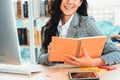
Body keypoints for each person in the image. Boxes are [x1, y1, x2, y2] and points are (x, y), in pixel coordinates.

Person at [38, 0, 120, 67]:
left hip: (79, 76)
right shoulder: (48, 27)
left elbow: (116, 53)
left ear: (80, 2)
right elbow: (40, 58)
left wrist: (93, 62)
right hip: (55, 76)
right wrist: (49, 57)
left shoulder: (86, 23)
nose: (69, 2)